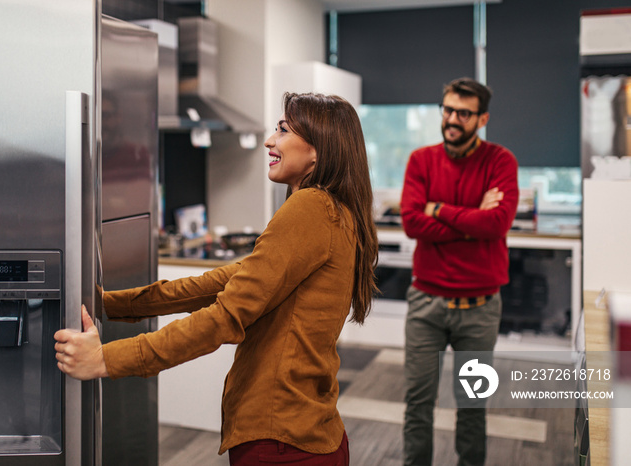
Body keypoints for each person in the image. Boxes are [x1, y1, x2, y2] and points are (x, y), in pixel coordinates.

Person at [54, 92, 379, 465]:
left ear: (318, 150)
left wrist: (107, 360)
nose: (269, 140)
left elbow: (225, 317)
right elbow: (217, 283)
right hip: (307, 431)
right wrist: (106, 304)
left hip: (282, 444)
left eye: (284, 130)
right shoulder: (335, 212)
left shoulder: (310, 209)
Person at [399, 77, 519, 466]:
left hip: (480, 308)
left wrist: (439, 209)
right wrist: (471, 220)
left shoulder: (501, 161)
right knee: (417, 404)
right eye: (448, 110)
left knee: (471, 405)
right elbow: (412, 223)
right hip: (426, 304)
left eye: (463, 114)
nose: (452, 119)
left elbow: (497, 224)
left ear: (481, 118)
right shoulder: (421, 160)